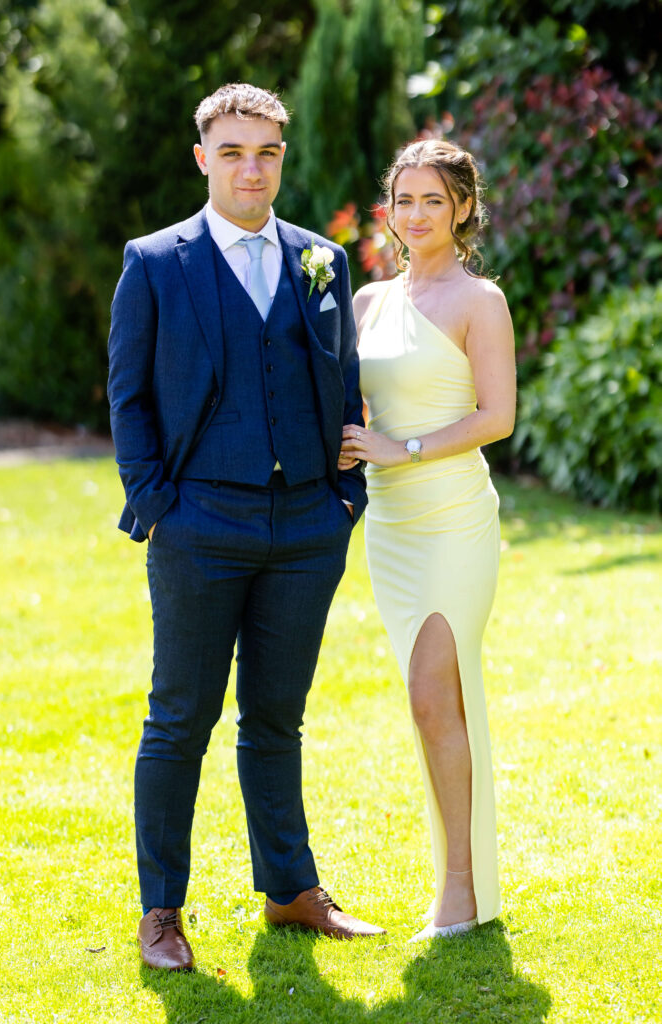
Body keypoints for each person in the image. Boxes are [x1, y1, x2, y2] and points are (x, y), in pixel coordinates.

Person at [107, 83, 385, 970]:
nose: (250, 167)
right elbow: (128, 393)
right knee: (177, 720)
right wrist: (156, 503)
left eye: (265, 151)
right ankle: (162, 912)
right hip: (199, 519)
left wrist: (346, 498)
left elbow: (341, 381)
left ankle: (290, 892)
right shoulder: (154, 262)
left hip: (308, 521)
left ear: (280, 155)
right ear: (203, 158)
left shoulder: (321, 260)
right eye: (232, 151)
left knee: (277, 716)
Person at [340, 139, 516, 940]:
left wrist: (401, 449)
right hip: (391, 526)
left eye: (432, 202)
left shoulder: (480, 301)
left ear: (463, 210)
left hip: (451, 518)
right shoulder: (368, 302)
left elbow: (496, 418)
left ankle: (460, 889)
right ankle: (460, 879)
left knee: (431, 695)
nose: (415, 216)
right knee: (428, 705)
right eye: (403, 200)